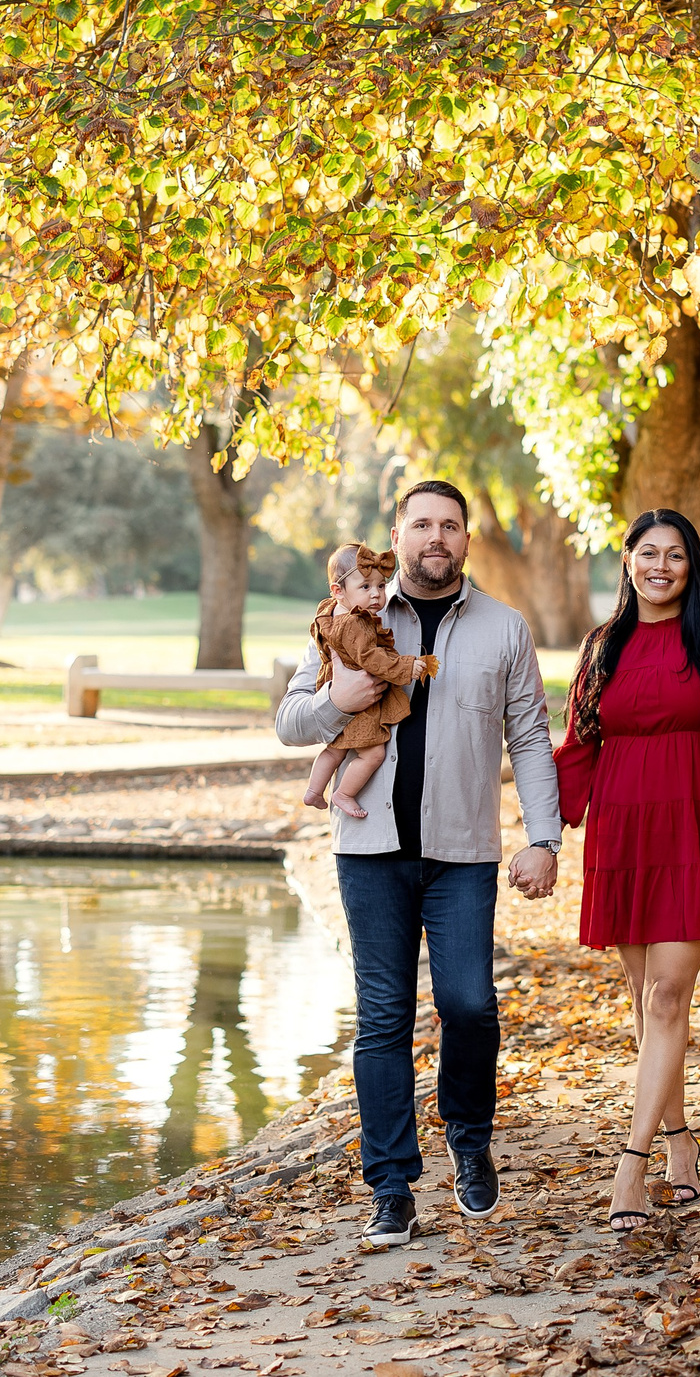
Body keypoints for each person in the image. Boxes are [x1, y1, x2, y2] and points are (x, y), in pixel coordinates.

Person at [274, 481, 564, 1249]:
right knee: (382, 1017)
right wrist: (338, 696)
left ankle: (469, 1137)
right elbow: (289, 721)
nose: (436, 536)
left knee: (470, 1004)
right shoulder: (348, 617)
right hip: (371, 855)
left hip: (463, 853)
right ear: (397, 535)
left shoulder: (504, 628)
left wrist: (544, 835)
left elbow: (530, 736)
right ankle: (392, 1187)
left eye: (450, 525)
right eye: (422, 523)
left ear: (467, 539)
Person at [552, 508, 700, 1232]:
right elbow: (577, 746)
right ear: (626, 561)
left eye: (674, 555)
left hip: (694, 823)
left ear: (692, 566)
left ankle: (633, 1160)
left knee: (666, 998)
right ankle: (681, 1140)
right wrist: (545, 832)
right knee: (645, 1000)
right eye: (647, 553)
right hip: (623, 831)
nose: (660, 566)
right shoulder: (601, 647)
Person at [301, 543, 439, 819]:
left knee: (335, 750)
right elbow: (371, 658)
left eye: (381, 585)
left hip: (334, 689)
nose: (376, 595)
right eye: (365, 587)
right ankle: (344, 793)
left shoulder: (330, 612)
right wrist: (406, 666)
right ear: (338, 591)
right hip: (359, 700)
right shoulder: (353, 624)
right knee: (373, 753)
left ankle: (314, 790)